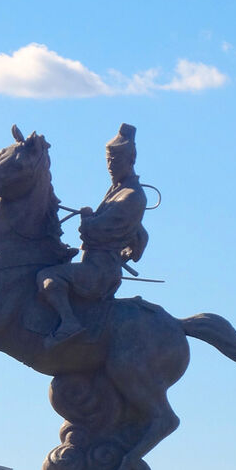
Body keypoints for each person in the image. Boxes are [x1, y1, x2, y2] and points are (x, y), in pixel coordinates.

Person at [37, 123, 148, 344]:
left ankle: (69, 323)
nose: (110, 166)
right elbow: (139, 235)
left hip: (100, 272)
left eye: (115, 161)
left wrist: (87, 218)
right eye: (108, 161)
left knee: (48, 277)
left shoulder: (132, 196)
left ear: (130, 160)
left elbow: (96, 230)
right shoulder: (117, 191)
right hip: (94, 265)